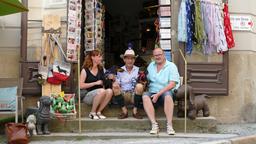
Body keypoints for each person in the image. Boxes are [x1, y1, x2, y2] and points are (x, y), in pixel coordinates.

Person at [143, 48, 180, 135]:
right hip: (153, 91)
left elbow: (172, 84)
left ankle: (169, 125)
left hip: (167, 92)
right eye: (156, 55)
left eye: (159, 54)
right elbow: (147, 80)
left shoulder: (171, 66)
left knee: (167, 95)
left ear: (164, 55)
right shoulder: (151, 66)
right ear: (153, 57)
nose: (158, 57)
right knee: (145, 96)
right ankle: (154, 124)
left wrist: (158, 94)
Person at [80, 49, 113, 120]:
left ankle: (98, 112)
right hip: (87, 95)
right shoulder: (85, 70)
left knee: (110, 91)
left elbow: (104, 82)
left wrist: (109, 78)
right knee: (101, 91)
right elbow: (81, 85)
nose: (101, 58)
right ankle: (92, 113)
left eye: (101, 56)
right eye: (99, 56)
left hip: (100, 93)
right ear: (93, 57)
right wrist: (95, 83)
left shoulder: (101, 69)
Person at [112, 48, 144, 119]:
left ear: (134, 60)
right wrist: (115, 83)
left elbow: (143, 83)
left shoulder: (139, 70)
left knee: (139, 86)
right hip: (123, 95)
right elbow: (117, 81)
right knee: (114, 85)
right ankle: (124, 111)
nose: (130, 61)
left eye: (132, 59)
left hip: (134, 95)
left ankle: (135, 111)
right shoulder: (120, 70)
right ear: (124, 60)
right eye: (128, 59)